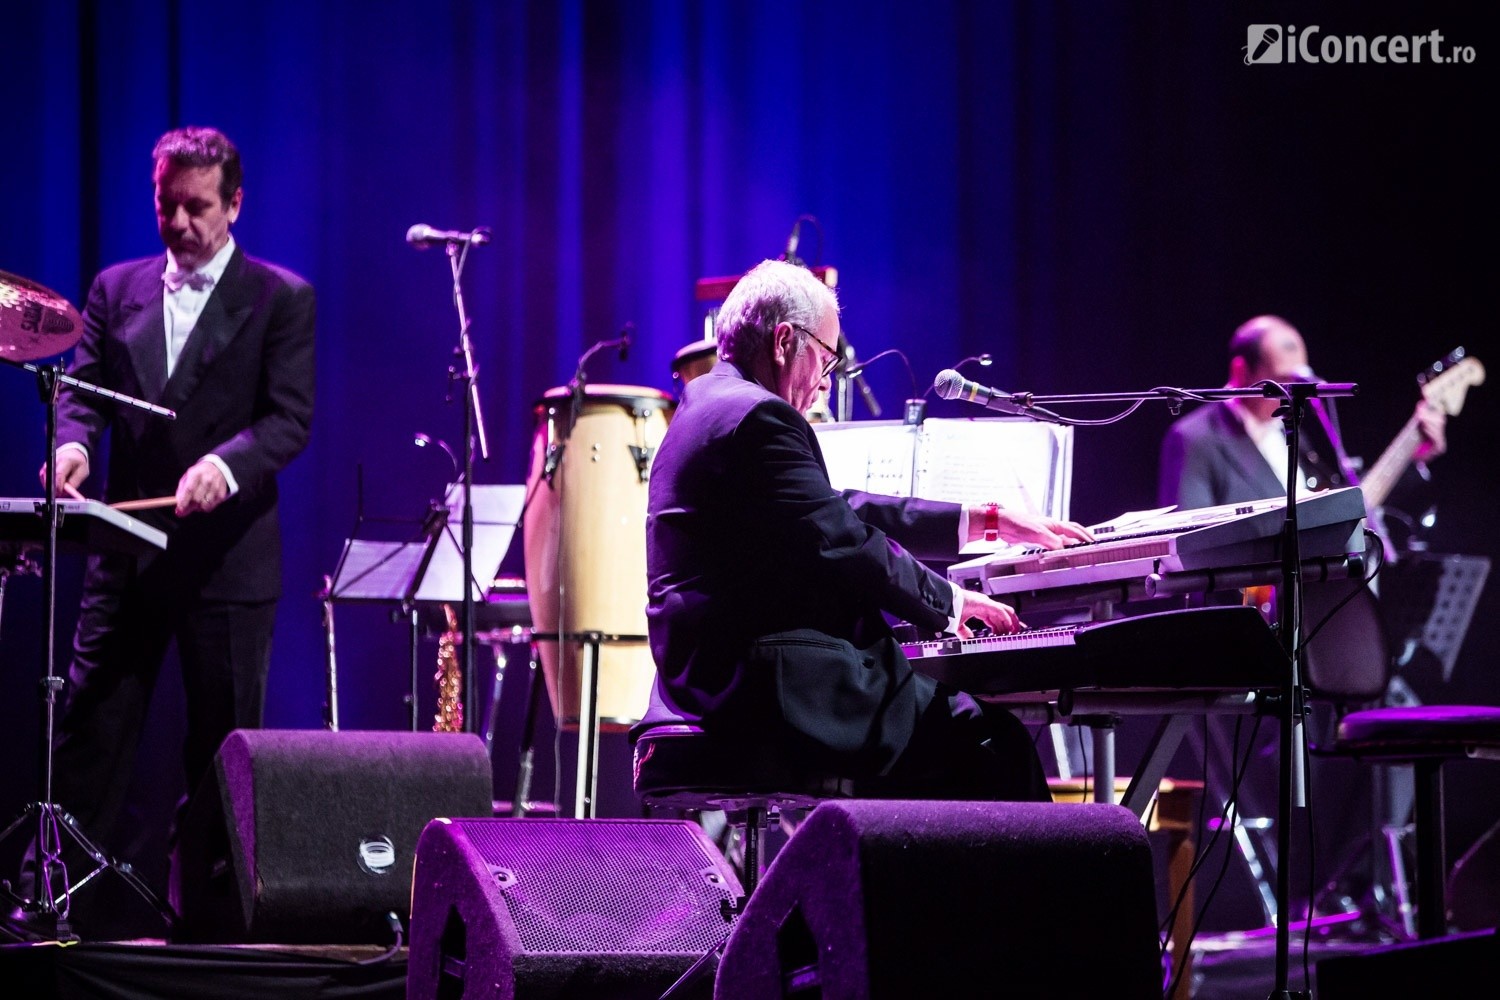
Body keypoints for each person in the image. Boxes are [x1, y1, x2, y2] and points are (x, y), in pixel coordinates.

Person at [634, 258, 1093, 801]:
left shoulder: (708, 408)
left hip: (709, 677)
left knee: (944, 729)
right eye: (826, 359)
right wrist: (951, 602)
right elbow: (844, 542)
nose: (825, 383)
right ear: (784, 341)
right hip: (768, 686)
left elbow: (836, 512)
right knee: (994, 743)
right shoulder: (759, 418)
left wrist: (981, 520)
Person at [10, 126, 315, 936]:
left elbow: (289, 419)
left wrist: (227, 465)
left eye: (197, 207)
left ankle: (213, 931)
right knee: (89, 731)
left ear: (235, 204)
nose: (179, 222)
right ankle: (56, 909)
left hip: (228, 562)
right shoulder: (116, 289)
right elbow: (84, 392)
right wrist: (74, 446)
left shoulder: (282, 298)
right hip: (127, 555)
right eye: (165, 204)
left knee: (222, 754)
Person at [1159, 314, 1445, 513]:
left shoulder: (1290, 431)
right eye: (1283, 381)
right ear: (1241, 371)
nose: (1295, 393)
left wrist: (1413, 455)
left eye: (1300, 382)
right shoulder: (1196, 439)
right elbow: (1186, 543)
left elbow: (1346, 506)